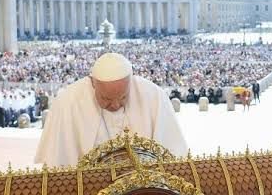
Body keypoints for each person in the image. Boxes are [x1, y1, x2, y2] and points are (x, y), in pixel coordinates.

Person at [35, 52, 188, 167]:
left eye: (122, 97)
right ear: (93, 84)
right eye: (106, 99)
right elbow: (59, 165)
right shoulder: (67, 102)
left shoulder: (154, 96)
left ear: (130, 82)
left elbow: (174, 158)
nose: (115, 105)